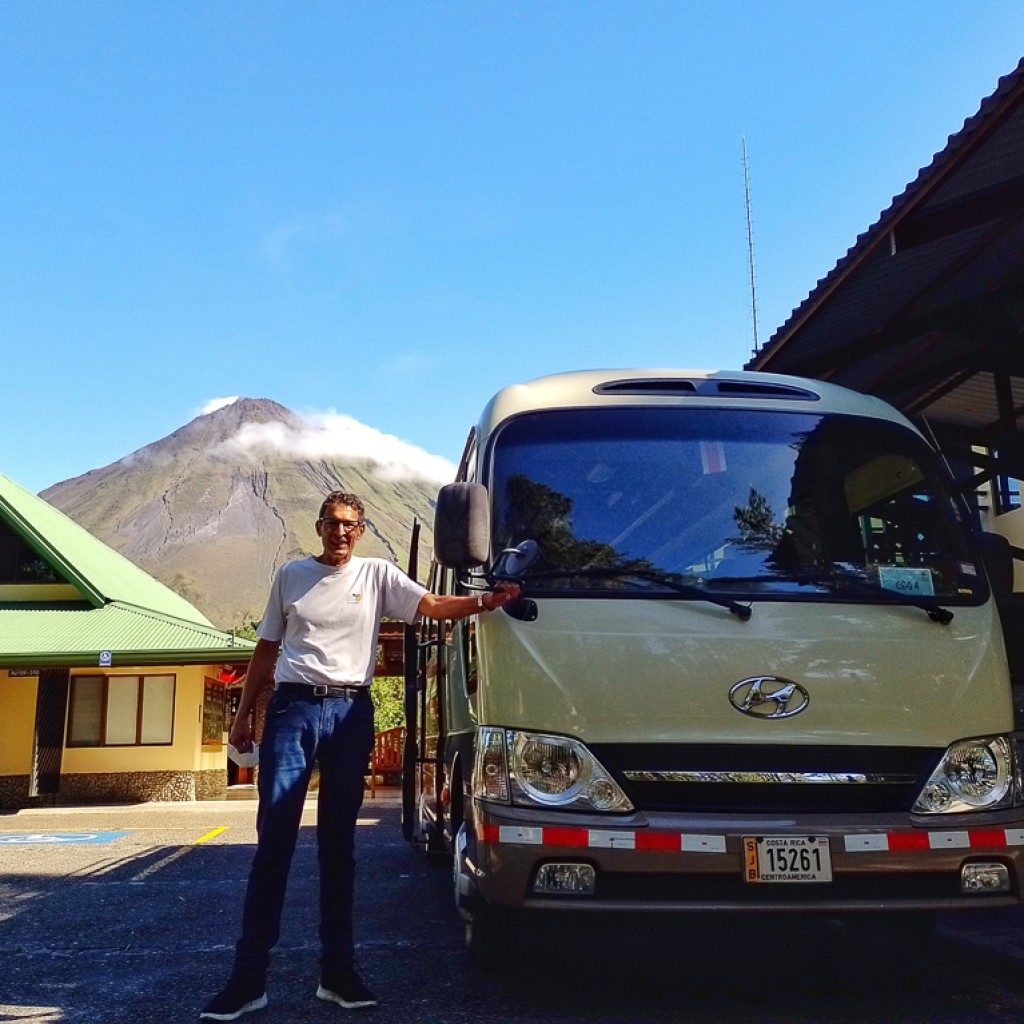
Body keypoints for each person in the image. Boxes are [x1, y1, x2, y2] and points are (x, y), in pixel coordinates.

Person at [200, 491, 519, 1021]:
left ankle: (337, 973)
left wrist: (486, 602)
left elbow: (432, 606)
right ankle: (248, 978)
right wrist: (241, 717)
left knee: (338, 847)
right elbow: (265, 650)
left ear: (362, 530)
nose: (341, 533)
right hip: (292, 710)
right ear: (319, 526)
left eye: (351, 525)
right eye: (332, 523)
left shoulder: (378, 576)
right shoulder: (291, 575)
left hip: (351, 714)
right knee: (274, 842)